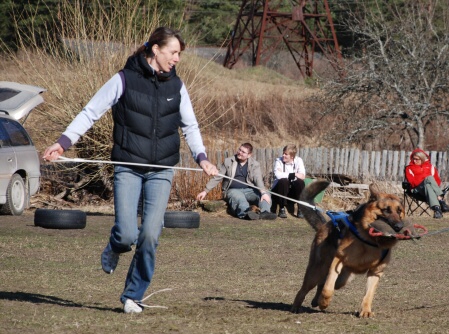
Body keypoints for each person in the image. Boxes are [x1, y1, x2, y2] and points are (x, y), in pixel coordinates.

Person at [43, 27, 218, 313]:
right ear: (156, 49)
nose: (177, 59)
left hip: (161, 170)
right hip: (128, 167)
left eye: (179, 54)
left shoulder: (177, 86)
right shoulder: (123, 79)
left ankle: (132, 295)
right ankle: (114, 248)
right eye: (173, 52)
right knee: (126, 235)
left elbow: (191, 126)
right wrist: (63, 143)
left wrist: (202, 158)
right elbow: (91, 112)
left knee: (150, 234)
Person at [196, 143, 277, 220]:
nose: (240, 152)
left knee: (266, 194)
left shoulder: (255, 164)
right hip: (232, 190)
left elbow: (258, 179)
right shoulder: (228, 161)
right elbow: (218, 177)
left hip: (249, 190)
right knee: (239, 198)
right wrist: (205, 191)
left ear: (249, 155)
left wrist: (263, 192)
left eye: (243, 152)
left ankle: (265, 212)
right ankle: (245, 213)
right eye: (239, 150)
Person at [405, 148, 449, 219]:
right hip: (416, 190)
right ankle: (441, 200)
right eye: (413, 159)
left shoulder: (430, 167)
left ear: (422, 159)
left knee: (428, 185)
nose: (414, 161)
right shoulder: (409, 168)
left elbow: (437, 180)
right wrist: (424, 181)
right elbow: (412, 182)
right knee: (429, 178)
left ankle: (437, 210)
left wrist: (426, 183)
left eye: (417, 159)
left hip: (429, 190)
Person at [271, 144, 306, 218]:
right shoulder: (278, 161)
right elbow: (278, 175)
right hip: (279, 192)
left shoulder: (299, 161)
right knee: (283, 181)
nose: (283, 155)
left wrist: (293, 174)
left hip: (291, 192)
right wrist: (293, 175)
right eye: (283, 153)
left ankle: (301, 208)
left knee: (300, 182)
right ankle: (282, 208)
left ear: (292, 156)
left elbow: (302, 176)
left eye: (286, 154)